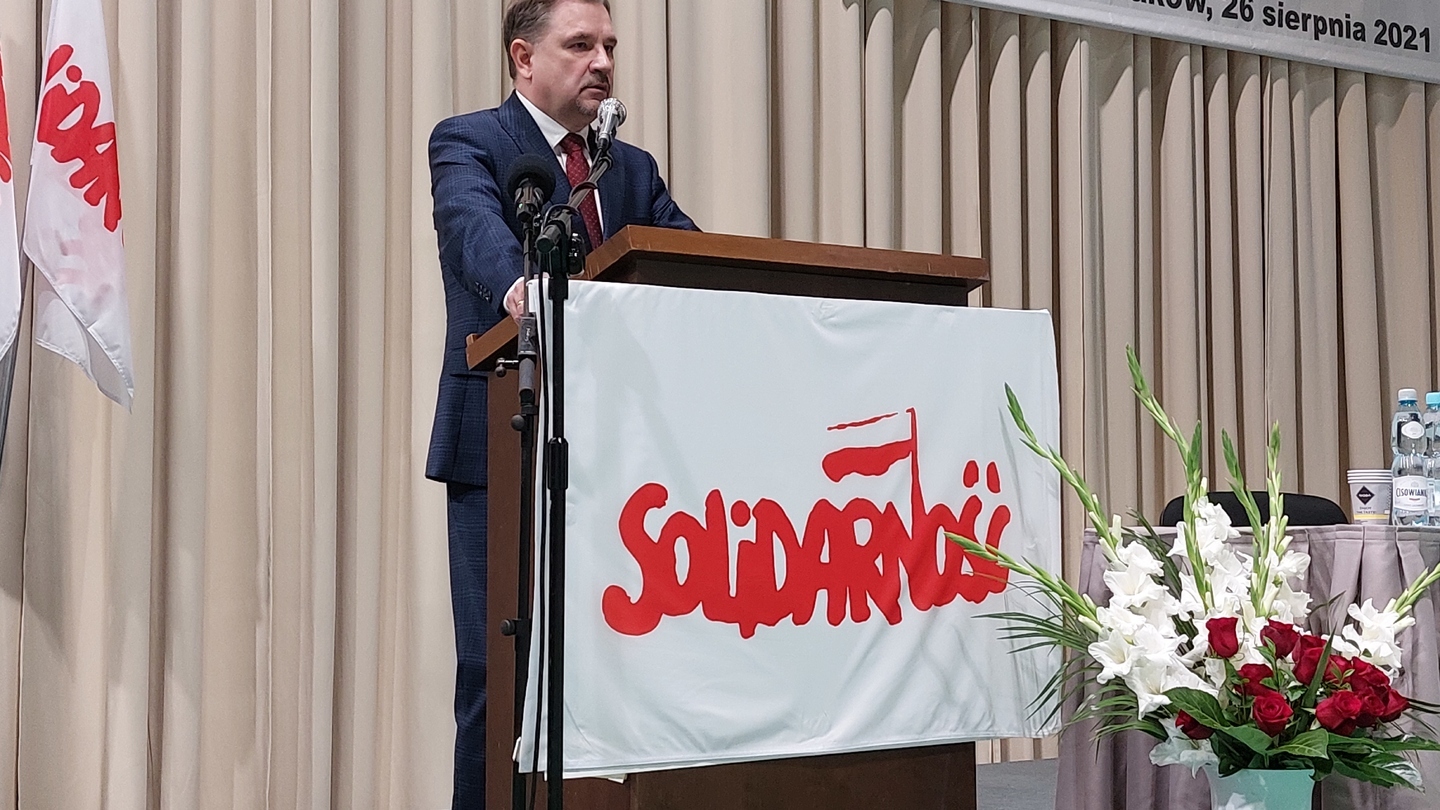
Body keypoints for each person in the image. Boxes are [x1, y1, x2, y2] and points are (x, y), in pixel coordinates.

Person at [425, 0, 697, 806]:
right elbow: (471, 229)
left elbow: (689, 260)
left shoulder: (630, 170)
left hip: (623, 461)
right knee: (497, 676)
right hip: (500, 443)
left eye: (609, 45)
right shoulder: (470, 140)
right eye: (580, 44)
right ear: (523, 57)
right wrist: (524, 289)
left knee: (615, 672)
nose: (603, 62)